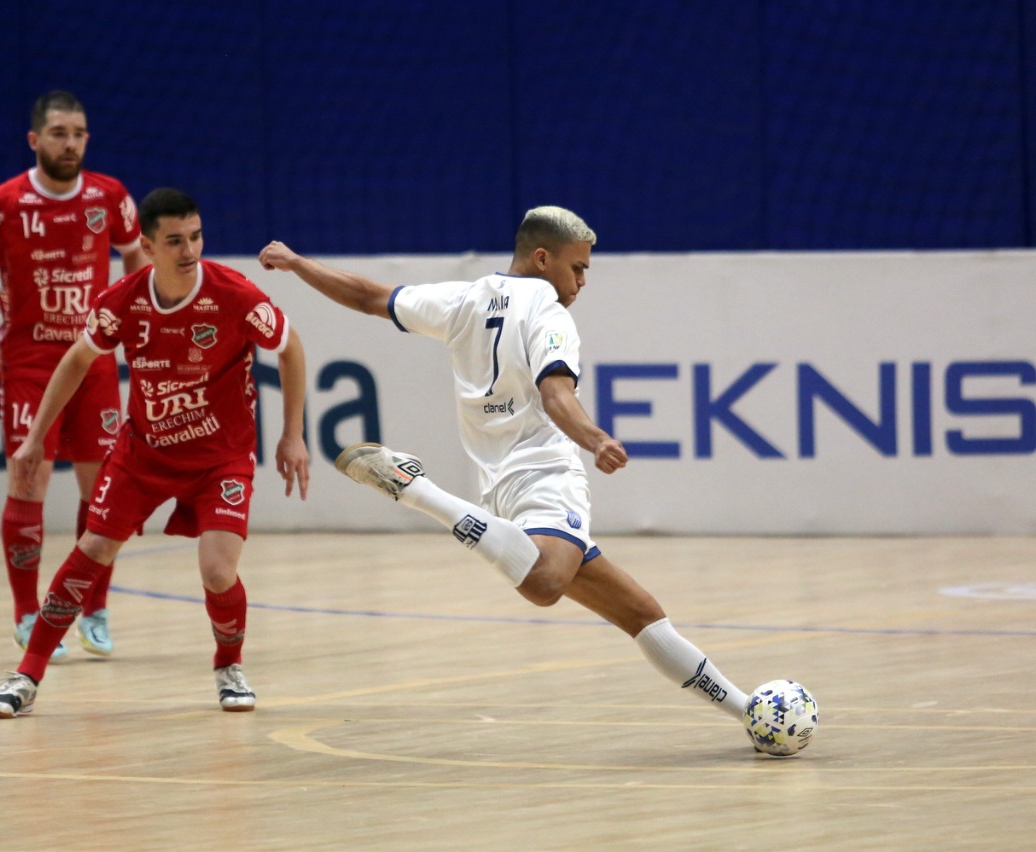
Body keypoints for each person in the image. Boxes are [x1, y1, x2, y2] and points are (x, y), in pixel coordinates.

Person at [257, 206, 754, 731]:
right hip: (545, 473)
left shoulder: (464, 298)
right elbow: (556, 393)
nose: (582, 281)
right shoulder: (550, 312)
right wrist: (596, 438)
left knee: (640, 613)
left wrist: (295, 262)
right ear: (542, 258)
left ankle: (750, 713)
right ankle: (419, 491)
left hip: (500, 486)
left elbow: (367, 296)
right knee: (543, 584)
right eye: (577, 267)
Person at [0, 187, 310, 718]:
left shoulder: (234, 294)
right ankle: (27, 675)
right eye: (175, 240)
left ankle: (228, 666)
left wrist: (292, 434)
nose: (189, 250)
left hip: (220, 457)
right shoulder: (123, 302)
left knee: (218, 572)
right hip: (144, 455)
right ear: (148, 246)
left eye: (196, 236)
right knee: (93, 549)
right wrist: (37, 435)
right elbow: (74, 362)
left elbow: (291, 349)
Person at [0, 90, 149, 660]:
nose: (71, 142)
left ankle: (94, 608)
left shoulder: (110, 197)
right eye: (59, 132)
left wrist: (137, 322)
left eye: (79, 132)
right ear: (35, 140)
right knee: (28, 479)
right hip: (31, 362)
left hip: (95, 359)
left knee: (102, 486)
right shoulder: (2, 203)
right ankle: (26, 613)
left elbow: (136, 258)